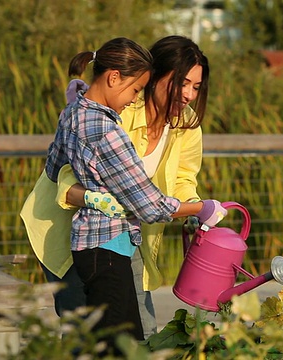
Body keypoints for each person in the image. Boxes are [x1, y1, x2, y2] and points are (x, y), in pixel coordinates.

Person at [34, 37, 226, 352]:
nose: (190, 94)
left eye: (197, 86)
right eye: (182, 83)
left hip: (123, 229)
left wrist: (193, 208)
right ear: (155, 76)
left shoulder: (186, 124)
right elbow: (68, 171)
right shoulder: (116, 113)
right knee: (86, 329)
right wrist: (90, 197)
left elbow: (182, 177)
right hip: (70, 228)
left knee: (137, 329)